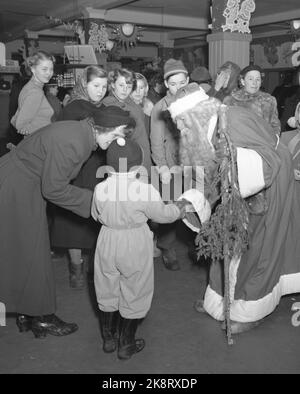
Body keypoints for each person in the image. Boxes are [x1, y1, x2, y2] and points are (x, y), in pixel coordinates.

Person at [168, 83, 300, 334]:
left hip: (267, 191)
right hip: (235, 194)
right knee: (224, 244)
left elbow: (270, 160)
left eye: (182, 121)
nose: (180, 128)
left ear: (197, 114)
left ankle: (252, 309)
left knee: (258, 250)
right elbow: (210, 173)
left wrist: (239, 182)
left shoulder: (233, 121)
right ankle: (219, 302)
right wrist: (196, 200)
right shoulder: (202, 133)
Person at [0, 105, 131, 339]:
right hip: (17, 188)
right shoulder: (75, 141)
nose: (116, 141)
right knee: (31, 253)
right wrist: (98, 203)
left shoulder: (81, 134)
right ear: (100, 128)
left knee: (23, 252)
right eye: (115, 134)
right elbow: (54, 189)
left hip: (21, 183)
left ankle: (27, 313)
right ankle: (40, 317)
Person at [91, 137, 189, 360]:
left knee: (106, 285)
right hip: (134, 241)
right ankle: (126, 343)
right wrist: (179, 209)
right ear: (136, 165)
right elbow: (163, 216)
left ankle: (108, 338)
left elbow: (96, 215)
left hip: (107, 239)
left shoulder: (100, 188)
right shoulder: (144, 190)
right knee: (136, 288)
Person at [50, 66, 108, 289]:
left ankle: (93, 268)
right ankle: (76, 268)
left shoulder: (99, 106)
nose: (100, 91)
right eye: (96, 86)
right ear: (85, 84)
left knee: (95, 220)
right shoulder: (74, 107)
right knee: (74, 221)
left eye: (104, 86)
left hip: (98, 168)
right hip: (77, 168)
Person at [150, 58, 190, 271]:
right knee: (171, 207)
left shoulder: (196, 103)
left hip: (193, 163)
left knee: (194, 204)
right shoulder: (160, 107)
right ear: (166, 84)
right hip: (171, 165)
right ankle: (166, 247)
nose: (177, 88)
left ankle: (195, 244)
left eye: (181, 83)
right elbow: (156, 141)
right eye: (173, 84)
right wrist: (162, 167)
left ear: (188, 80)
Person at [102, 68, 152, 173]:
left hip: (141, 152)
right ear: (112, 84)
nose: (125, 90)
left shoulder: (129, 101)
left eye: (129, 86)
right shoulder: (109, 104)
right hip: (127, 157)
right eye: (121, 85)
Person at [224, 65, 281, 136]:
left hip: (263, 144)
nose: (255, 83)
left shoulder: (268, 100)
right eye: (250, 79)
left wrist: (273, 141)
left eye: (258, 79)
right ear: (243, 81)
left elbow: (275, 126)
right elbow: (225, 126)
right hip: (237, 143)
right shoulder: (230, 101)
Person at [10, 51, 55, 137]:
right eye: (44, 69)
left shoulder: (30, 87)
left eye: (51, 69)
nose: (49, 73)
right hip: (38, 143)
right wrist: (48, 128)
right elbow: (20, 125)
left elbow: (14, 119)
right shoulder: (35, 92)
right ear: (33, 69)